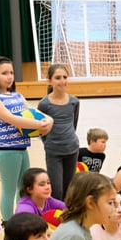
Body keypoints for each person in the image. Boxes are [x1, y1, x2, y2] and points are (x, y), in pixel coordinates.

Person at [0, 54, 53, 221]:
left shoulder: (16, 95)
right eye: (4, 73)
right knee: (9, 189)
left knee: (23, 188)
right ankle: (8, 225)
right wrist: (38, 125)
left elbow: (33, 111)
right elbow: (11, 119)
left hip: (21, 148)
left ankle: (21, 220)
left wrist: (49, 119)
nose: (9, 77)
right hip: (6, 150)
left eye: (11, 73)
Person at [37, 63, 80, 201]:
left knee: (69, 189)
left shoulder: (74, 101)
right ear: (50, 80)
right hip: (54, 152)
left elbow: (74, 124)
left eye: (64, 77)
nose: (62, 81)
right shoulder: (44, 104)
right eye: (57, 77)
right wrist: (50, 143)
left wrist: (70, 139)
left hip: (72, 149)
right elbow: (41, 130)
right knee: (57, 190)